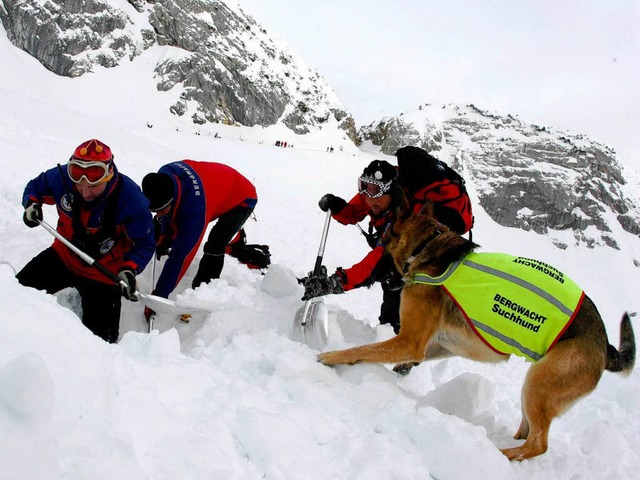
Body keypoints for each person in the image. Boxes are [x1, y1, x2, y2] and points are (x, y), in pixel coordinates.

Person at [301, 159, 471, 333]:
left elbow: (375, 263)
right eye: (364, 187)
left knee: (400, 311)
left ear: (393, 193)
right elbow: (353, 212)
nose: (368, 198)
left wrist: (333, 282)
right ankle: (388, 336)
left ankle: (398, 341)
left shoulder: (408, 219)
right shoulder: (374, 196)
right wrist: (337, 207)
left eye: (373, 191)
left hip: (418, 271)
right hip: (395, 266)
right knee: (390, 306)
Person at [17, 138, 155, 343]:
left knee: (101, 344)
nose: (85, 192)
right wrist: (32, 204)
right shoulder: (63, 178)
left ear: (108, 177)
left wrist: (130, 268)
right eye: (79, 185)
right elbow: (36, 186)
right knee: (15, 296)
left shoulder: (130, 198)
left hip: (103, 273)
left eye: (93, 186)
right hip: (63, 255)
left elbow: (145, 242)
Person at [141, 160, 257, 319]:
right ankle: (233, 235)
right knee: (170, 222)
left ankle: (202, 292)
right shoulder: (164, 174)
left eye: (160, 210)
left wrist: (159, 296)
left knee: (215, 244)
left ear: (172, 200)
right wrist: (165, 235)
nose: (158, 214)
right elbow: (172, 214)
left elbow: (180, 257)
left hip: (242, 197)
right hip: (219, 187)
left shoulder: (195, 213)